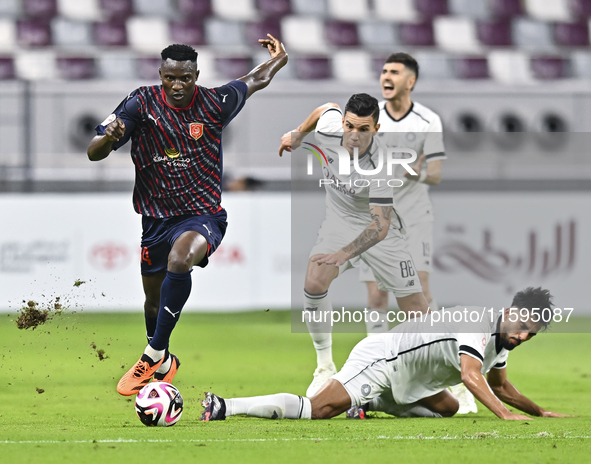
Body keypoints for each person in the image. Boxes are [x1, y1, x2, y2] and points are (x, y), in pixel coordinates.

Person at [87, 37, 288, 396]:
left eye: (185, 78)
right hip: (154, 220)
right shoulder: (140, 103)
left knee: (181, 261)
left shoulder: (215, 103)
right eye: (169, 78)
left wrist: (280, 59)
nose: (177, 85)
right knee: (152, 302)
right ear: (161, 75)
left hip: (203, 215)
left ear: (197, 75)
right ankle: (164, 360)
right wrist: (109, 139)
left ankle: (151, 356)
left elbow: (255, 80)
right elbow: (94, 152)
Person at [200, 287, 569, 422]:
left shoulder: (502, 340)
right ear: (511, 309)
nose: (521, 336)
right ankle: (226, 406)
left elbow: (500, 385)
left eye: (529, 334)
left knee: (450, 408)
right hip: (383, 360)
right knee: (318, 410)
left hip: (411, 379)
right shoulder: (477, 321)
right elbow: (471, 375)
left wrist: (539, 411)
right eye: (521, 325)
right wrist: (505, 417)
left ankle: (369, 405)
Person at [279, 93, 429, 397]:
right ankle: (324, 368)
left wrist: (343, 254)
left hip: (378, 229)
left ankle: (445, 370)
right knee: (314, 279)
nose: (354, 135)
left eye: (363, 129)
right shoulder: (331, 128)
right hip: (339, 222)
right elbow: (325, 108)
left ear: (376, 128)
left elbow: (380, 227)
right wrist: (298, 134)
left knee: (416, 308)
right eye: (350, 126)